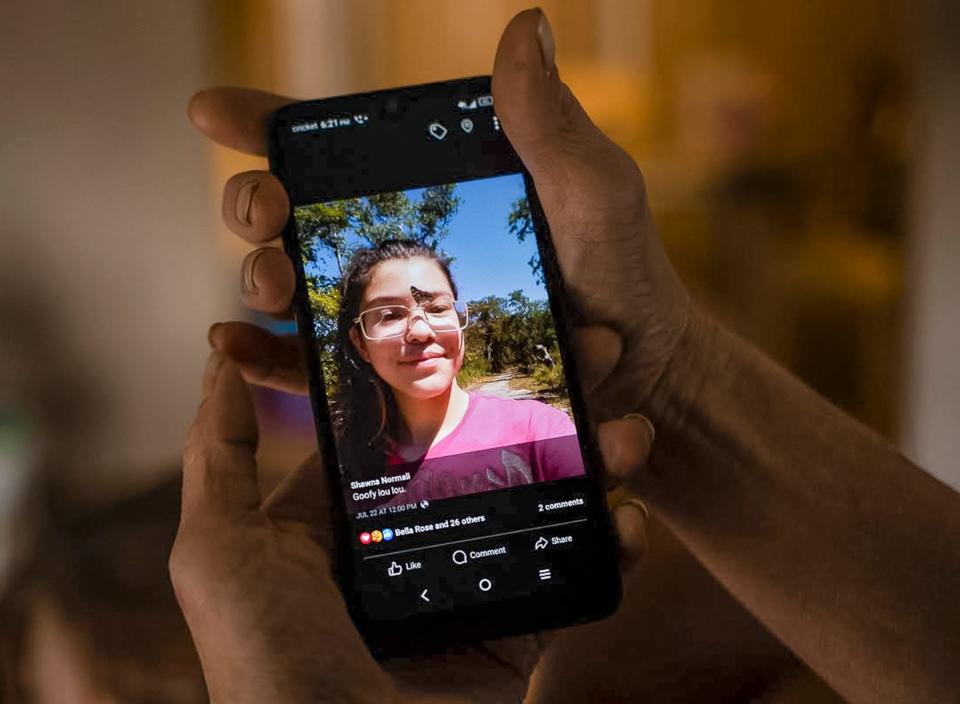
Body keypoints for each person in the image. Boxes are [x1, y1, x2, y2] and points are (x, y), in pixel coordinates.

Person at [172, 8, 960, 704]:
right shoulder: (358, 469)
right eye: (386, 313)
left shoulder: (536, 427)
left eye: (433, 304)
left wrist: (672, 381)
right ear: (353, 341)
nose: (416, 328)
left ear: (464, 319)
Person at [328, 239, 584, 510]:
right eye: (390, 315)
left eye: (437, 308)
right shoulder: (342, 463)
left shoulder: (540, 430)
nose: (420, 332)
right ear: (360, 342)